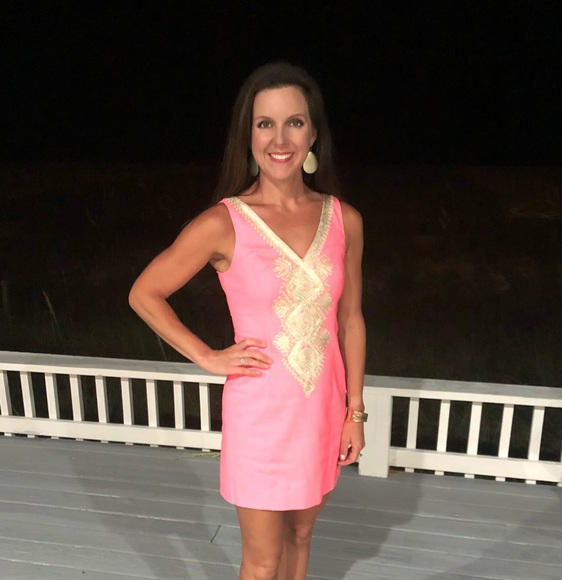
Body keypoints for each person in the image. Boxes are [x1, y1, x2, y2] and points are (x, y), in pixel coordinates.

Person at [129, 61, 366, 580]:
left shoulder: (344, 219)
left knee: (301, 537)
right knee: (261, 561)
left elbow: (350, 320)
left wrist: (355, 411)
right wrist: (207, 356)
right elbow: (145, 293)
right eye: (265, 124)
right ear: (248, 135)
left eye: (294, 122)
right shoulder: (224, 222)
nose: (280, 139)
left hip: (321, 410)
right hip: (259, 415)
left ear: (313, 134)